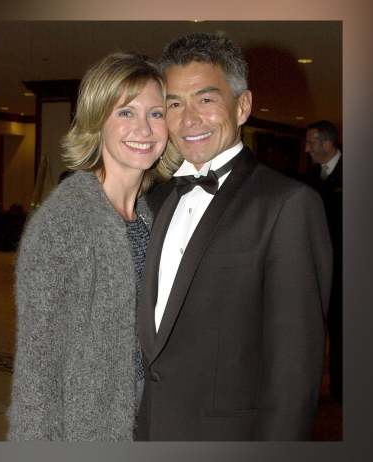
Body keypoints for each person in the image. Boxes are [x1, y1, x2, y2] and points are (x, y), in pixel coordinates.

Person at [136, 33, 333, 441]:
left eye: (206, 100)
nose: (188, 119)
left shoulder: (289, 205)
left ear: (242, 106)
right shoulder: (157, 200)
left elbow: (294, 373)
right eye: (174, 104)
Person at [6, 51, 180, 441]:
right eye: (125, 113)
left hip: (148, 414)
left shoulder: (151, 216)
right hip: (92, 427)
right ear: (96, 122)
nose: (144, 128)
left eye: (155, 113)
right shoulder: (64, 224)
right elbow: (38, 371)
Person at [305, 120, 343, 404]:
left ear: (328, 143)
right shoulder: (310, 177)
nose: (307, 149)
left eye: (312, 143)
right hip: (320, 267)